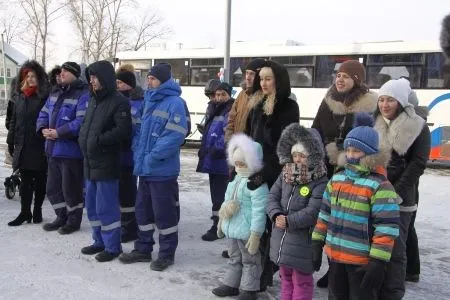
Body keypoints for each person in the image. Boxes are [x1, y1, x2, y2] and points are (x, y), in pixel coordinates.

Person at [312, 113, 401, 300]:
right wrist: (316, 242)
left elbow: (387, 228)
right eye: (349, 150)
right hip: (335, 256)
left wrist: (378, 260)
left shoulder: (379, 185)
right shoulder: (337, 179)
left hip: (361, 260)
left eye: (357, 151)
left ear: (370, 153)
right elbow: (325, 214)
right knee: (336, 295)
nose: (351, 155)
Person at [311, 59, 377, 288]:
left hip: (354, 170)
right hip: (326, 168)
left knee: (348, 221)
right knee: (329, 219)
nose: (340, 79)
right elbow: (316, 129)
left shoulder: (369, 103)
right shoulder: (328, 100)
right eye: (338, 75)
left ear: (356, 81)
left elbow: (374, 140)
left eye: (346, 76)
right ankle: (332, 267)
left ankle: (348, 269)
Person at [119, 63, 188, 272]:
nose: (148, 81)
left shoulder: (175, 103)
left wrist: (151, 157)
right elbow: (140, 132)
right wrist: (138, 150)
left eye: (153, 78)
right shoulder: (149, 100)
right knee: (142, 211)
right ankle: (143, 248)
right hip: (145, 169)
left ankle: (166, 254)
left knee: (164, 214)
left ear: (164, 81)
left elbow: (174, 136)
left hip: (162, 170)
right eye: (148, 78)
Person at [245, 60, 299, 291]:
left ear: (278, 81)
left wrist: (265, 173)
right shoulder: (256, 102)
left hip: (274, 174)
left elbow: (284, 146)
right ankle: (250, 275)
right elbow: (248, 137)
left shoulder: (288, 106)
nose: (264, 83)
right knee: (253, 223)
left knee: (269, 226)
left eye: (269, 79)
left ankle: (263, 277)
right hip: (253, 169)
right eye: (262, 78)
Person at [374, 79, 430, 299]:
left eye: (390, 100)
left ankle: (393, 292)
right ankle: (377, 288)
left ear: (401, 102)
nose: (385, 105)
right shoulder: (376, 123)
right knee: (377, 246)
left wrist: (395, 191)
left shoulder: (418, 125)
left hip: (400, 198)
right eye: (381, 100)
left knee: (395, 249)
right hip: (375, 194)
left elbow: (418, 163)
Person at [267, 123, 328, 300]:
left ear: (312, 156)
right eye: (295, 155)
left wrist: (290, 221)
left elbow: (314, 210)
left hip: (303, 239)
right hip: (281, 237)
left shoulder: (320, 180)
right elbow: (272, 197)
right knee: (285, 276)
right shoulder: (285, 174)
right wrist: (276, 215)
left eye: (302, 155)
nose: (298, 159)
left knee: (302, 280)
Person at [78, 60, 132, 262]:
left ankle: (112, 247)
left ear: (104, 78)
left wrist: (99, 140)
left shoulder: (118, 101)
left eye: (94, 77)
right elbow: (86, 124)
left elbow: (123, 131)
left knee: (106, 207)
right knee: (91, 205)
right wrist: (83, 138)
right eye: (90, 77)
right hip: (90, 161)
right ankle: (98, 241)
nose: (91, 81)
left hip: (107, 162)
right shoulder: (93, 100)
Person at [212, 133, 269, 300]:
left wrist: (256, 234)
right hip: (232, 228)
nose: (238, 166)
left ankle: (249, 290)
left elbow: (260, 211)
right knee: (234, 257)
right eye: (236, 163)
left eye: (242, 163)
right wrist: (221, 221)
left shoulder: (257, 184)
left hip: (247, 231)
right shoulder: (235, 179)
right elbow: (226, 202)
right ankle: (231, 284)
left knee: (250, 260)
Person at [37, 62, 89, 234]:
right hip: (52, 150)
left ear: (74, 74)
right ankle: (61, 216)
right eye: (61, 71)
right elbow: (44, 112)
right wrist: (42, 127)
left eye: (66, 71)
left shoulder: (83, 94)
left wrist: (59, 133)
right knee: (52, 188)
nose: (62, 73)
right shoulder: (55, 91)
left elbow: (81, 122)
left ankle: (73, 221)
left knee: (71, 189)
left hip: (70, 152)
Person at [7, 60, 50, 226]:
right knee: (24, 180)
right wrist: (11, 141)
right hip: (23, 144)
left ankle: (37, 209)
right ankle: (25, 212)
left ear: (39, 78)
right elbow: (14, 121)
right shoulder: (20, 95)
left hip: (39, 144)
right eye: (27, 76)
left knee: (40, 179)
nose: (30, 79)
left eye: (33, 76)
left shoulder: (45, 96)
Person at [196, 82, 234, 241]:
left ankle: (219, 226)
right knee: (216, 194)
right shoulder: (213, 108)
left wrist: (214, 149)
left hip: (221, 160)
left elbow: (227, 133)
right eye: (216, 95)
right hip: (213, 160)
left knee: (222, 195)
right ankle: (218, 223)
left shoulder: (230, 110)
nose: (218, 98)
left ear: (229, 95)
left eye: (222, 95)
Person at [115, 64, 144, 243]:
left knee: (128, 192)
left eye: (120, 82)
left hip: (130, 155)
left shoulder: (140, 102)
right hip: (117, 154)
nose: (117, 84)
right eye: (116, 82)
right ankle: (123, 224)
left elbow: (141, 129)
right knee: (120, 192)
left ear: (129, 85)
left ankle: (130, 227)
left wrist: (129, 141)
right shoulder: (116, 100)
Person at [224, 58, 265, 142]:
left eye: (252, 74)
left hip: (252, 148)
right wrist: (229, 140)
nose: (248, 77)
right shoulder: (242, 94)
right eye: (246, 73)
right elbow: (231, 118)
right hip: (237, 146)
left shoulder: (264, 96)